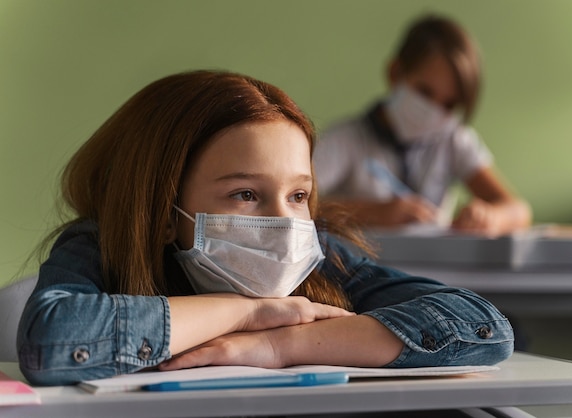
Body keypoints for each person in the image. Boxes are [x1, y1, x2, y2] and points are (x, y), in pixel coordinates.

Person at [17, 70, 514, 387]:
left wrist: (280, 344)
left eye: (298, 196)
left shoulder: (326, 256)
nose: (285, 223)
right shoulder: (98, 245)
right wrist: (247, 313)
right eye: (247, 194)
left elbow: (482, 330)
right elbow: (53, 342)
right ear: (165, 213)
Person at [314, 15, 531, 236]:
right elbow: (292, 203)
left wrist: (490, 217)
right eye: (424, 92)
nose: (434, 111)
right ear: (395, 73)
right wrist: (371, 213)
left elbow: (519, 210)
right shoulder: (346, 139)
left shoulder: (453, 140)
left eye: (449, 104)